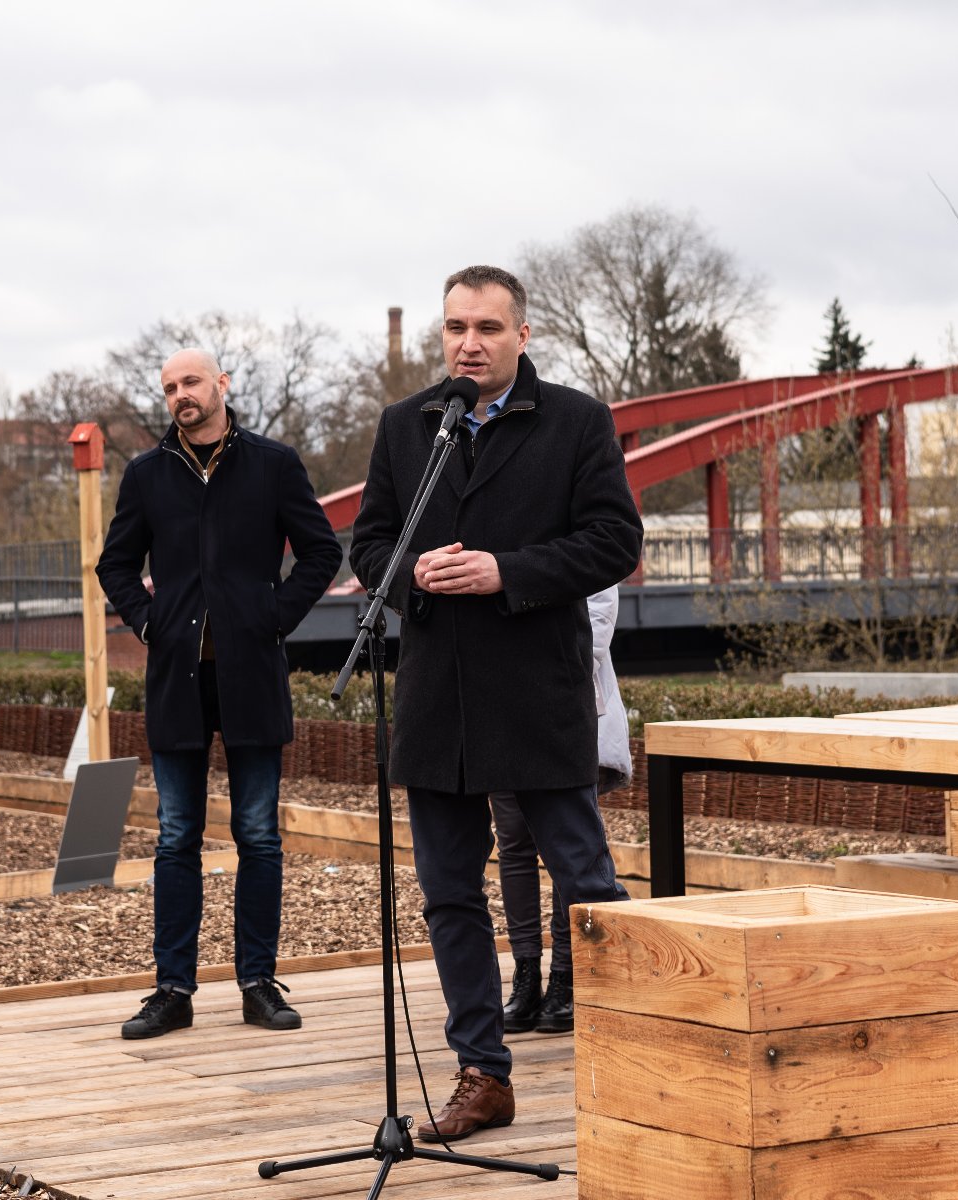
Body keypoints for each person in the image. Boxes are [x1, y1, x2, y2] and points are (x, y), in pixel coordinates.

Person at [348, 265, 642, 1141]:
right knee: (448, 894)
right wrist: (412, 577)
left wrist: (504, 571)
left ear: (521, 335)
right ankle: (483, 1075)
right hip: (439, 699)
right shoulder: (409, 427)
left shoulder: (577, 422)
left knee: (586, 884)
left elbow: (612, 541)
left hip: (538, 695)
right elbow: (368, 541)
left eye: (485, 328)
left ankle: (643, 1054)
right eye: (453, 329)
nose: (467, 344)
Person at [96, 347, 343, 1041]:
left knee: (258, 836)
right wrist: (149, 622)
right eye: (170, 386)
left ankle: (257, 984)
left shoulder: (273, 464)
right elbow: (114, 563)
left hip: (251, 674)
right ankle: (171, 990)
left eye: (192, 382)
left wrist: (272, 617)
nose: (181, 394)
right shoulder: (147, 473)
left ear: (222, 385)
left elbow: (321, 551)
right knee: (176, 838)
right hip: (177, 678)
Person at [493, 584, 634, 1035]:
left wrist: (564, 676)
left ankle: (566, 976)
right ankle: (525, 973)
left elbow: (599, 609)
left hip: (562, 701)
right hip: (499, 699)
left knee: (566, 849)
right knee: (513, 842)